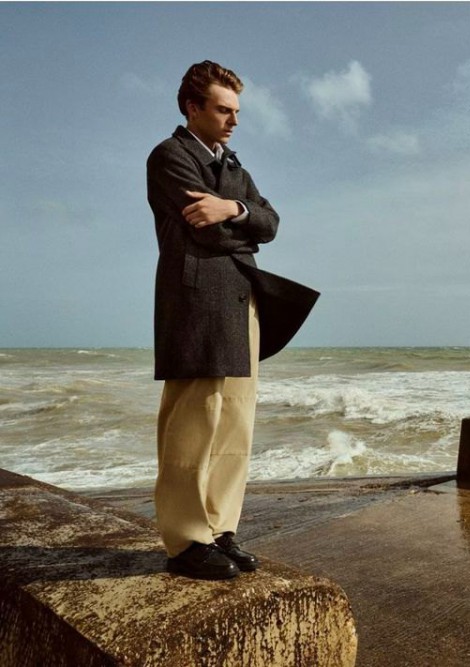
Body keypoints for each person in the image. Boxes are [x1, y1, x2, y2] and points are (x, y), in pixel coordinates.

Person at [146, 60, 283, 580]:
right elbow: (202, 230)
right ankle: (186, 541)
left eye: (236, 111)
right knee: (192, 422)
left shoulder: (235, 168)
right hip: (195, 302)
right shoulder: (169, 156)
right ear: (192, 107)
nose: (234, 120)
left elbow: (271, 222)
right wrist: (240, 220)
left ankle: (221, 528)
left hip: (242, 300)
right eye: (224, 110)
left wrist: (234, 210)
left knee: (235, 422)